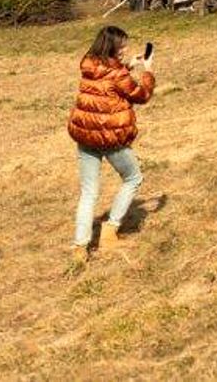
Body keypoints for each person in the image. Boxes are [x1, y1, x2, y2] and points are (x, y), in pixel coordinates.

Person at [67, 25, 155, 271]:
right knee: (133, 178)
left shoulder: (88, 64)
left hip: (85, 136)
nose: (126, 49)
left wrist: (129, 65)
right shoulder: (118, 74)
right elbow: (141, 95)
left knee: (88, 192)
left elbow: (109, 78)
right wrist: (147, 71)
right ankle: (110, 231)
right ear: (113, 48)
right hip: (110, 137)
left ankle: (80, 247)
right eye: (123, 46)